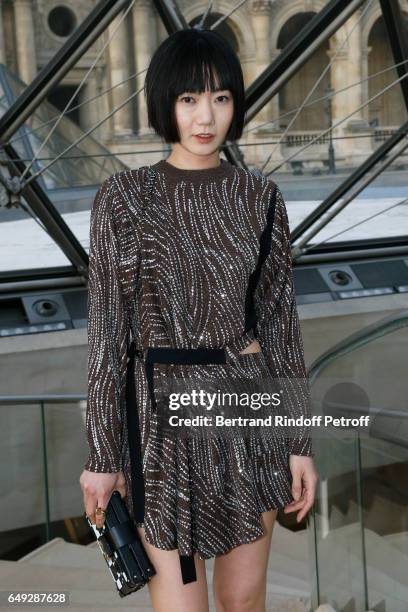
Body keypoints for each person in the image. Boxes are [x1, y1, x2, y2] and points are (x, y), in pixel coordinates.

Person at [79, 27, 318, 612]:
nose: (206, 116)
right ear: (166, 103)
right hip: (160, 428)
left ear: (236, 103)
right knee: (182, 605)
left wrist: (299, 441)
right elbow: (108, 337)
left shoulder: (261, 197)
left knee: (243, 600)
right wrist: (101, 457)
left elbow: (280, 329)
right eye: (189, 99)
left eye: (220, 97)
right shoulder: (124, 197)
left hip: (245, 417)